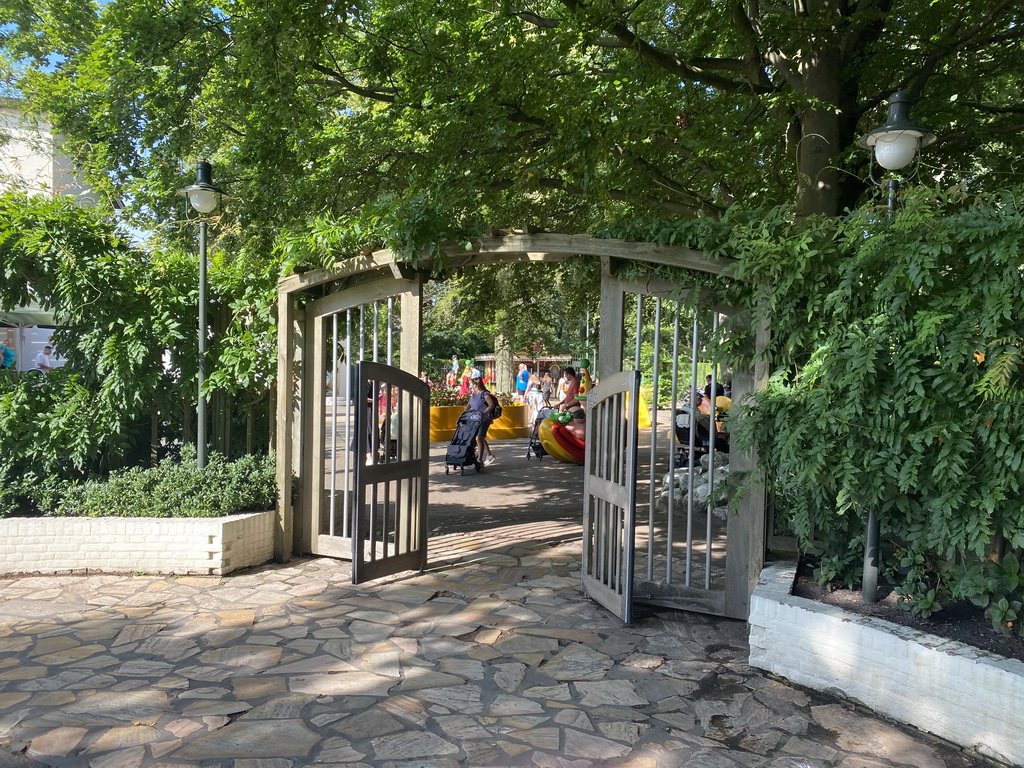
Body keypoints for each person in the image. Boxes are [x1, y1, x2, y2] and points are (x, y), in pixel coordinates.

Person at [464, 377, 498, 466]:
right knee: (480, 438)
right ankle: (489, 455)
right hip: (475, 419)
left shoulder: (485, 394)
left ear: (475, 385)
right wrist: (464, 414)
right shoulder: (474, 395)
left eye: (472, 384)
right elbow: (469, 405)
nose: (471, 386)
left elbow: (491, 405)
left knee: (480, 438)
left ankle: (479, 459)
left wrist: (484, 413)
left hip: (484, 419)